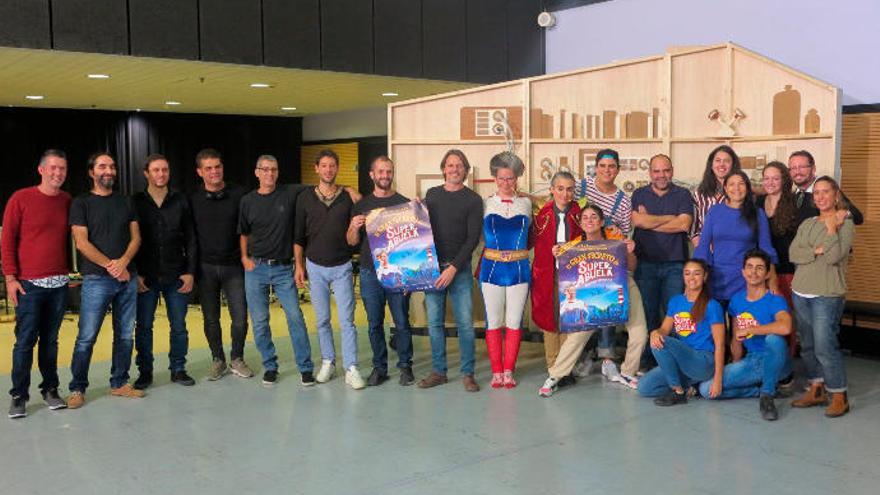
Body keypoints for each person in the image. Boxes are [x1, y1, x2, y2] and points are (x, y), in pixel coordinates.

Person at [67, 152, 143, 408]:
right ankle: (77, 388)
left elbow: (136, 238)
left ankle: (120, 382)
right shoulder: (81, 203)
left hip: (127, 278)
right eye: (102, 166)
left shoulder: (126, 201)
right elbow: (81, 242)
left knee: (124, 335)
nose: (108, 170)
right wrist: (112, 266)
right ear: (92, 172)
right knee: (87, 336)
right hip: (96, 279)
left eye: (112, 166)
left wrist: (123, 264)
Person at [538, 205, 634, 397]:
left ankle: (622, 369)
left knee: (626, 324)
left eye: (594, 217)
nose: (590, 220)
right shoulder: (575, 243)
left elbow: (631, 265)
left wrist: (630, 250)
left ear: (601, 221)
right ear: (581, 224)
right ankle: (555, 375)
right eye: (585, 218)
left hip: (614, 291)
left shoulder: (614, 238)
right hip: (590, 295)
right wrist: (557, 251)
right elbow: (562, 263)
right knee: (578, 334)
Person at [3, 150, 71, 418]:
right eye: (53, 168)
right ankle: (19, 395)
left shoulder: (67, 200)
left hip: (59, 284)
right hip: (28, 285)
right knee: (24, 342)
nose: (58, 173)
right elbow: (7, 240)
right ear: (41, 170)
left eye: (63, 169)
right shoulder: (21, 198)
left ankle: (50, 390)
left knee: (51, 341)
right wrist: (10, 278)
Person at [239, 155, 314, 387]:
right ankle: (270, 366)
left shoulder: (289, 193)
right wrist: (244, 258)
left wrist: (348, 189)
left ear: (278, 172)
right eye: (265, 169)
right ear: (257, 172)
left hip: (283, 268)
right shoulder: (247, 201)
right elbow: (243, 232)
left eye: (274, 169)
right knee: (260, 321)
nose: (270, 173)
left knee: (295, 318)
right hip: (256, 268)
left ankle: (305, 367)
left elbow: (321, 185)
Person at [576, 148, 646, 388]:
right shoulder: (580, 188)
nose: (607, 170)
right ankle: (584, 355)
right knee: (581, 306)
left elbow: (624, 233)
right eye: (603, 166)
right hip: (580, 255)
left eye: (612, 166)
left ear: (617, 170)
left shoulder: (623, 200)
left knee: (604, 305)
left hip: (607, 260)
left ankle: (606, 357)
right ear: (596, 167)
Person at [295, 149, 364, 390]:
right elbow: (298, 237)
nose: (328, 170)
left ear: (337, 168)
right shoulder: (304, 198)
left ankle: (351, 367)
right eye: (323, 166)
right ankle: (328, 361)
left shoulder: (348, 198)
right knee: (322, 320)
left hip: (342, 265)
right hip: (315, 267)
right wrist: (299, 266)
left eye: (332, 166)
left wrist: (351, 191)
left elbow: (354, 237)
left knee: (347, 320)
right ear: (317, 168)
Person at [698, 250, 792, 421]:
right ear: (743, 272)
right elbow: (736, 338)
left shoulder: (775, 300)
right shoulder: (737, 300)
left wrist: (753, 330)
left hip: (776, 361)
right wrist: (736, 366)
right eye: (749, 267)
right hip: (752, 362)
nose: (753, 272)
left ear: (767, 273)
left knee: (774, 339)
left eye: (759, 268)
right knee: (706, 389)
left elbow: (785, 327)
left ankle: (767, 395)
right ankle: (757, 390)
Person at [418, 149, 483, 392]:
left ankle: (468, 373)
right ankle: (439, 371)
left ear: (465, 171)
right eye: (450, 165)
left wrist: (453, 268)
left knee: (465, 324)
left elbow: (472, 239)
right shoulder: (432, 195)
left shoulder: (473, 200)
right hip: (432, 270)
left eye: (459, 165)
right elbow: (422, 229)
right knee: (434, 323)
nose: (455, 169)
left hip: (460, 271)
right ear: (444, 169)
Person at [789, 176, 855, 418]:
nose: (820, 197)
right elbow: (793, 253)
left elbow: (833, 257)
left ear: (836, 194)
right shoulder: (807, 222)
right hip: (800, 291)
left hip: (827, 294)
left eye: (825, 192)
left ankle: (839, 393)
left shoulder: (845, 223)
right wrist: (816, 250)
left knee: (825, 345)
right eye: (816, 193)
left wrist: (829, 230)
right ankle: (816, 388)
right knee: (807, 345)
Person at [346, 156, 414, 386]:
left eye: (389, 171)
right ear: (372, 175)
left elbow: (411, 245)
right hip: (369, 272)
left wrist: (409, 277)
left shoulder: (404, 204)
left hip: (397, 272)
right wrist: (354, 227)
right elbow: (351, 241)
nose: (385, 176)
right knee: (374, 323)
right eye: (381, 172)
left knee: (402, 321)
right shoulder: (361, 205)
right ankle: (379, 368)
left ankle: (405, 366)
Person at [132, 154, 197, 389]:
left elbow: (190, 238)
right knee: (144, 326)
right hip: (145, 276)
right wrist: (135, 273)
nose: (161, 174)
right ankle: (145, 372)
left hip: (176, 274)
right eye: (156, 170)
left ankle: (178, 368)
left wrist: (190, 271)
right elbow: (129, 239)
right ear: (146, 173)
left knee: (179, 325)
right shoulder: (136, 201)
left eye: (165, 170)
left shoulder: (180, 200)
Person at [190, 148, 252, 381]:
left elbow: (247, 229)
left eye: (217, 166)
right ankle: (218, 359)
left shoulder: (239, 194)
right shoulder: (193, 199)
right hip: (205, 268)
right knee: (211, 319)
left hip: (234, 266)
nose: (214, 171)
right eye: (208, 168)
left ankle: (237, 358)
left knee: (240, 317)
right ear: (199, 172)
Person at [630, 154, 693, 364]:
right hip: (645, 263)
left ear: (672, 171)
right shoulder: (639, 194)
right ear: (650, 173)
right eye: (656, 171)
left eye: (665, 170)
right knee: (648, 313)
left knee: (673, 313)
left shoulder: (683, 194)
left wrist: (651, 221)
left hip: (675, 264)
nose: (661, 175)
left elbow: (684, 225)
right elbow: (638, 222)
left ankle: (672, 357)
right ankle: (649, 359)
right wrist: (670, 219)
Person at [637, 259, 725, 406]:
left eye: (697, 274)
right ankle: (690, 386)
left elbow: (720, 345)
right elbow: (664, 329)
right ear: (683, 276)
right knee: (644, 387)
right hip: (682, 361)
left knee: (662, 342)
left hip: (702, 362)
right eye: (687, 273)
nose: (692, 278)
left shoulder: (712, 305)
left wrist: (717, 379)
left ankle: (678, 392)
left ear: (705, 276)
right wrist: (655, 332)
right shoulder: (676, 301)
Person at [479, 152, 531, 389]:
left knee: (513, 321)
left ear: (517, 179)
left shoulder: (527, 204)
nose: (506, 183)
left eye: (511, 178)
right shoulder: (485, 203)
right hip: (491, 268)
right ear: (495, 179)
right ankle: (496, 371)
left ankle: (508, 370)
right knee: (493, 321)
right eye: (502, 178)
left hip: (519, 268)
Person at [694, 170, 778, 308]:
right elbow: (703, 247)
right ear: (725, 188)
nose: (737, 188)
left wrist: (773, 278)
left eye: (741, 184)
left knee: (744, 328)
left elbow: (766, 247)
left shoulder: (757, 213)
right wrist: (697, 277)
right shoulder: (715, 212)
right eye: (732, 184)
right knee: (716, 327)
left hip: (747, 279)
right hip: (717, 278)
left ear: (747, 187)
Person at [530, 171, 583, 384]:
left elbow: (590, 239)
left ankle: (565, 367)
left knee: (569, 320)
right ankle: (554, 367)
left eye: (569, 189)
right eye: (560, 188)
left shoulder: (580, 214)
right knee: (550, 320)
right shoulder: (541, 216)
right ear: (552, 190)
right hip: (548, 274)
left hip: (574, 276)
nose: (565, 193)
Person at [788, 150, 863, 225]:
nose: (797, 172)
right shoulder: (790, 196)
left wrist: (844, 214)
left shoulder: (828, 191)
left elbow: (857, 217)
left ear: (813, 169)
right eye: (793, 168)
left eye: (802, 167)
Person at [691, 145, 741, 248]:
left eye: (726, 161)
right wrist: (700, 246)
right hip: (705, 251)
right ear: (711, 164)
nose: (721, 164)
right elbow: (694, 228)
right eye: (717, 160)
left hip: (733, 250)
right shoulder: (699, 194)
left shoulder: (740, 193)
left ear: (733, 165)